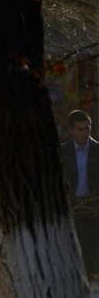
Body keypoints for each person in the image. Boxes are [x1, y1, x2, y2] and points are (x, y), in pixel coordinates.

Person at [62, 110, 99, 279]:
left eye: (87, 129)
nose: (85, 133)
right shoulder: (64, 152)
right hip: (72, 208)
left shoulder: (97, 150)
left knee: (92, 244)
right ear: (71, 131)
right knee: (75, 245)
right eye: (80, 129)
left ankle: (92, 274)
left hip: (94, 208)